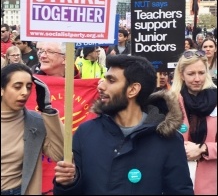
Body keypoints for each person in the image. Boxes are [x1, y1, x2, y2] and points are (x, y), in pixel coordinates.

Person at [53, 54, 194, 195]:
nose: (101, 86)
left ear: (133, 90)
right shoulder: (86, 133)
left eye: (111, 81)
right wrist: (68, 183)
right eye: (104, 79)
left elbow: (180, 191)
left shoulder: (168, 140)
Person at [1, 63, 64, 195]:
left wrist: (47, 109)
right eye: (17, 87)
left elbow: (60, 154)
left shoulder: (35, 122)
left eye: (29, 87)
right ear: (2, 89)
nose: (24, 92)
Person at [171, 49, 217, 195]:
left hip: (211, 182)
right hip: (178, 179)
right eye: (191, 74)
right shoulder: (169, 101)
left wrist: (203, 149)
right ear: (182, 75)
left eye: (201, 73)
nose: (197, 79)